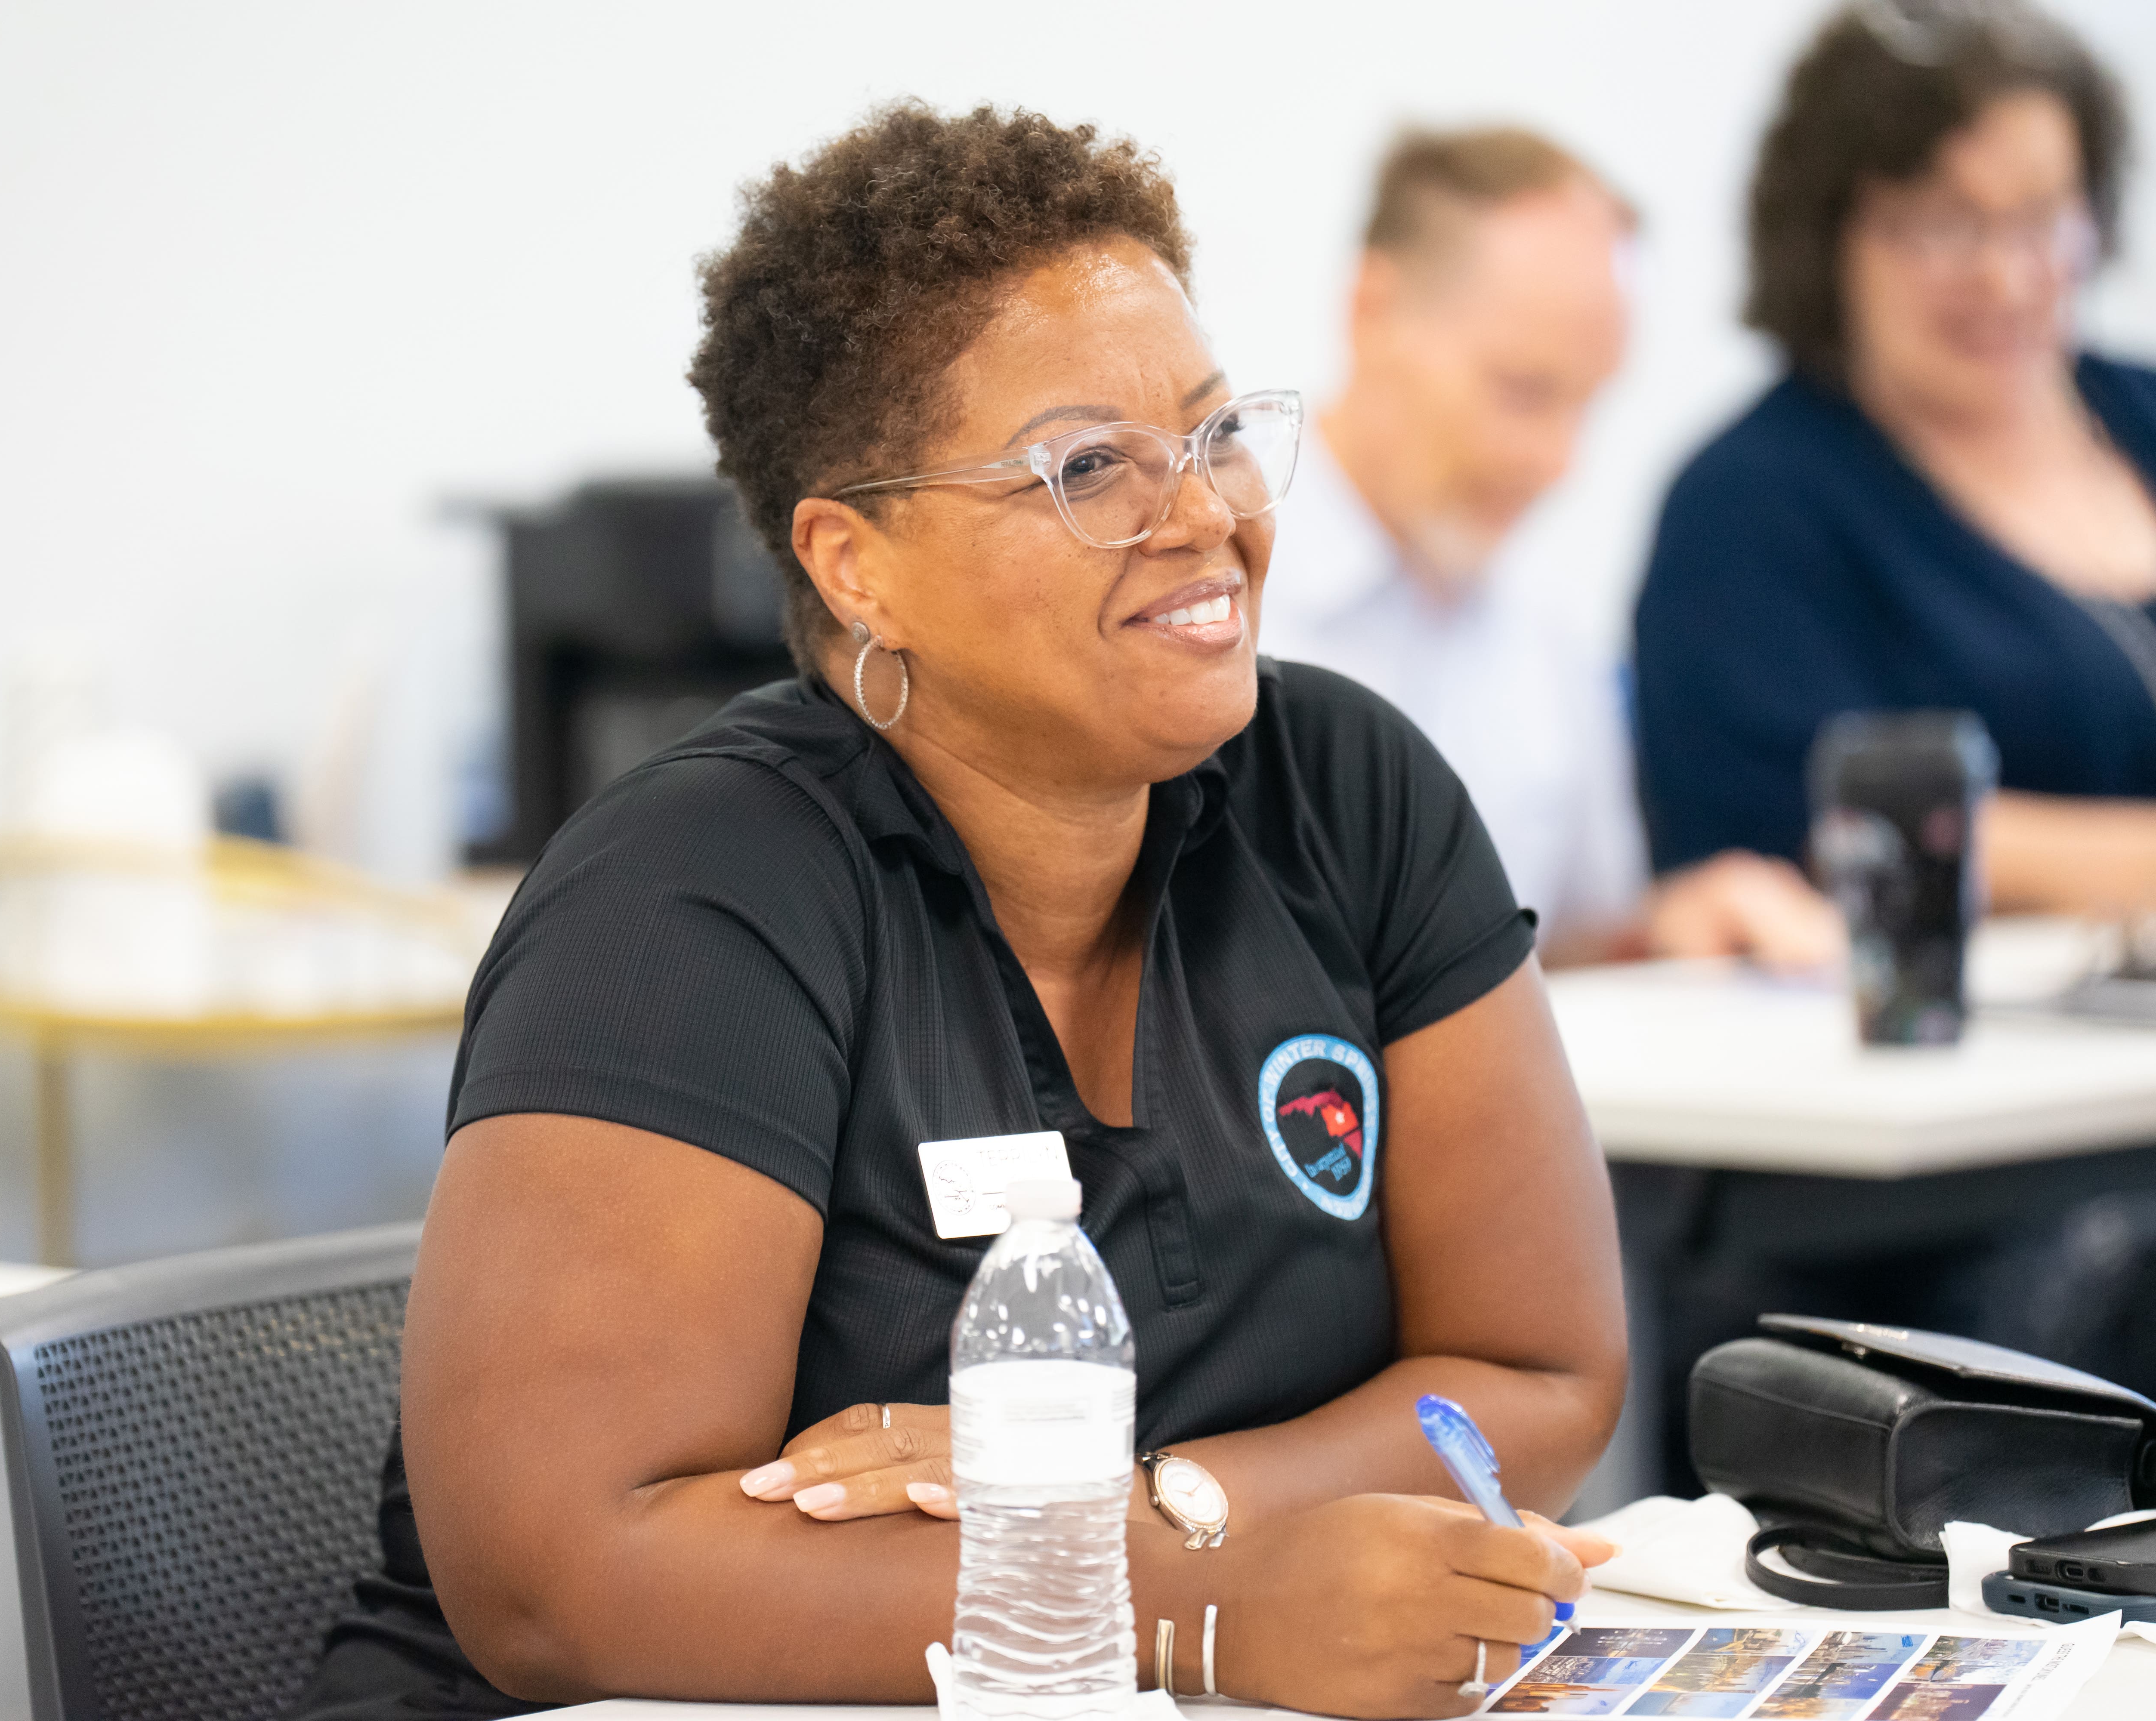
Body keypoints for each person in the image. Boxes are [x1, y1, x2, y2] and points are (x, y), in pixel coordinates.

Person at [288, 105, 1625, 1721]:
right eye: (1085, 469)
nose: (1203, 514)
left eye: (1212, 434)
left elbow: (1539, 1368)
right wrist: (1190, 1604)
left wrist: (1144, 1511)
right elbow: (561, 1583)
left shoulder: (1348, 791)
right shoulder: (691, 898)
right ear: (860, 566)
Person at [1634, 0, 2156, 946]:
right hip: (1970, 1064)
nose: (2007, 277)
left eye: (2044, 218)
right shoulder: (1749, 502)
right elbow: (1792, 821)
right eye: (1945, 227)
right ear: (1829, 235)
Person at [1261, 126, 1841, 969]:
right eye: (1524, 392)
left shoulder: (1550, 633)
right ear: (1373, 314)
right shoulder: (1212, 593)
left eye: (1587, 403)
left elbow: (1555, 955)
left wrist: (1675, 923)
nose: (1559, 463)